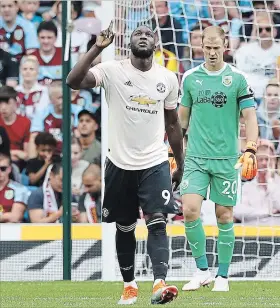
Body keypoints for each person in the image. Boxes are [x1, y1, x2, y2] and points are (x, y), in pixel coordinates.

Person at [66, 23, 184, 305]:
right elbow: (73, 81)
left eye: (148, 34)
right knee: (125, 225)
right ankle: (129, 285)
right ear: (129, 43)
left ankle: (160, 283)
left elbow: (173, 123)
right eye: (137, 33)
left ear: (155, 43)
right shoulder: (112, 70)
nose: (143, 36)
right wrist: (97, 48)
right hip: (119, 162)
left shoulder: (167, 78)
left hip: (154, 160)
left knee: (157, 221)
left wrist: (180, 162)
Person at [178, 26, 258, 292]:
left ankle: (223, 276)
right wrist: (170, 150)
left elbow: (250, 117)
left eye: (216, 47)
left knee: (224, 216)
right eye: (207, 47)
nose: (212, 52)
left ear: (225, 46)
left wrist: (251, 148)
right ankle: (202, 271)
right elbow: (181, 120)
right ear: (201, 45)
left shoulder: (237, 78)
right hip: (196, 158)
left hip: (225, 159)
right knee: (189, 210)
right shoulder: (190, 78)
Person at [0, 152, 30, 223]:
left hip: (10, 231)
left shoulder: (19, 189)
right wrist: (6, 216)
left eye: (3, 168)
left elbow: (15, 217)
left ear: (9, 169)